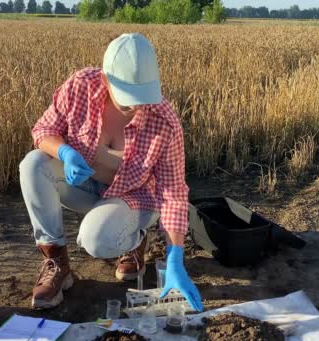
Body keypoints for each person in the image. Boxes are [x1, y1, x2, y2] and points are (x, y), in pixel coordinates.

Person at [19, 33, 203, 312]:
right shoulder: (80, 86)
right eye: (128, 99)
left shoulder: (164, 121)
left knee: (96, 240)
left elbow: (173, 193)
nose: (137, 106)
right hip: (83, 186)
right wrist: (65, 153)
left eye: (143, 96)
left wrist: (175, 256)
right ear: (105, 80)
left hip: (135, 197)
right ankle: (56, 262)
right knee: (33, 165)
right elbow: (44, 131)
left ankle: (135, 239)